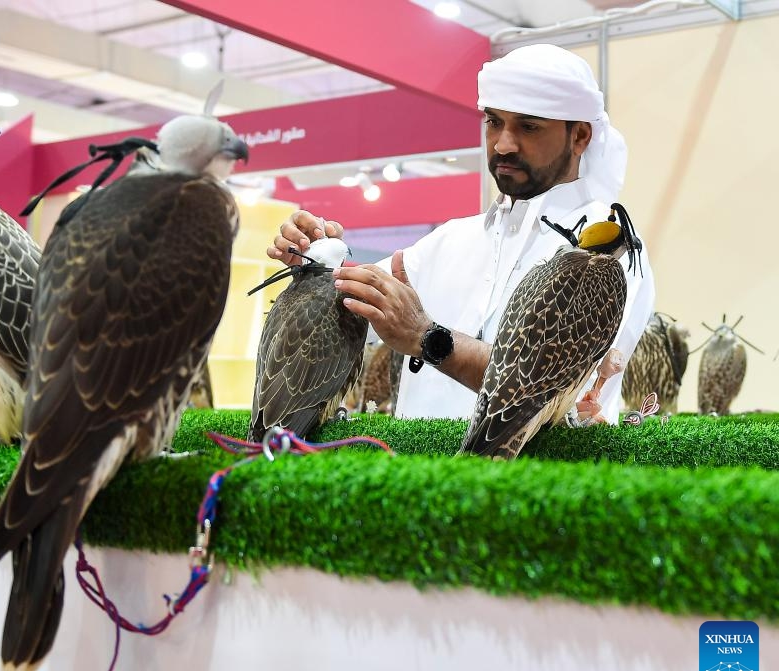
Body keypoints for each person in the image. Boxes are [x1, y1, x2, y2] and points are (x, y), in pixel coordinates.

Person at [269, 44, 655, 423]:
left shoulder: (611, 253)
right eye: (494, 121)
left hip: (540, 484)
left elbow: (554, 389)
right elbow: (346, 305)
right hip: (415, 480)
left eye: (529, 126)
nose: (503, 143)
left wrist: (427, 338)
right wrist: (315, 257)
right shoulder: (449, 240)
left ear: (580, 137)